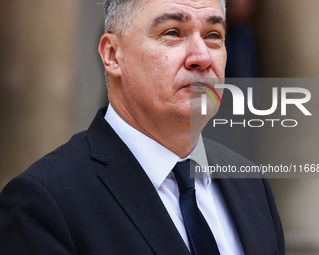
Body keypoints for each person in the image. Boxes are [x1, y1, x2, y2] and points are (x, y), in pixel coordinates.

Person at [0, 0, 284, 254]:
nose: (202, 57)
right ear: (112, 54)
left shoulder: (250, 184)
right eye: (172, 33)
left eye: (213, 36)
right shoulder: (44, 203)